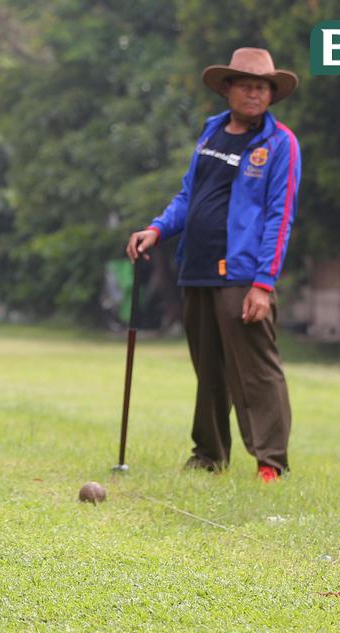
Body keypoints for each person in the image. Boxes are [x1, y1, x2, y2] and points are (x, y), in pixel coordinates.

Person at [126, 48, 301, 483]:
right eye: (245, 84)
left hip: (241, 274)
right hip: (197, 267)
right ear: (227, 88)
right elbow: (189, 196)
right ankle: (208, 455)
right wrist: (158, 229)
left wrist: (264, 282)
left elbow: (281, 215)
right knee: (209, 372)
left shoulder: (280, 144)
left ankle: (270, 463)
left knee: (256, 370)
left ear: (271, 94)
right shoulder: (211, 134)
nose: (254, 93)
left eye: (262, 86)